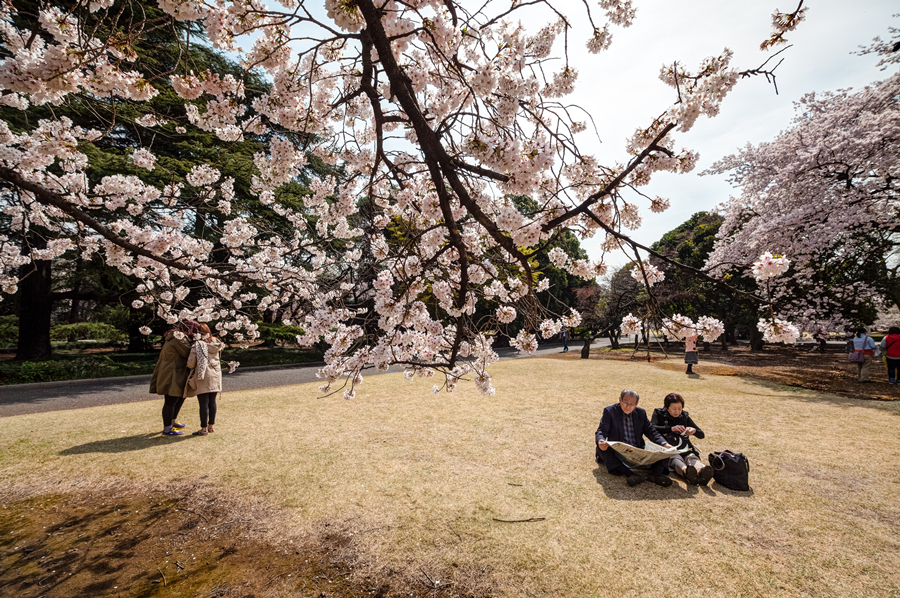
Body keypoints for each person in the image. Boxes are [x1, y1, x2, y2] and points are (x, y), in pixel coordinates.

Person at [595, 389, 675, 487]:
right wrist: (601, 440)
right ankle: (631, 474)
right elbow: (601, 431)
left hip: (637, 449)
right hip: (618, 451)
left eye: (632, 404)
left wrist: (665, 444)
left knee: (665, 450)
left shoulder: (641, 413)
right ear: (620, 400)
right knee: (603, 448)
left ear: (636, 404)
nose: (628, 406)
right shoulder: (610, 411)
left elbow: (651, 432)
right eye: (626, 402)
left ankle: (655, 474)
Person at [651, 393, 713, 485]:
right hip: (670, 448)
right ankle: (686, 472)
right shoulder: (659, 413)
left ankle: (700, 472)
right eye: (674, 409)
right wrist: (671, 429)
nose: (677, 411)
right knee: (676, 459)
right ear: (667, 407)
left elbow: (701, 435)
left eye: (680, 408)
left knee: (692, 457)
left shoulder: (684, 416)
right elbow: (652, 428)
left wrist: (694, 431)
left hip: (685, 447)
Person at [150, 320, 199, 436]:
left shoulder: (178, 337)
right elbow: (189, 353)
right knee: (171, 400)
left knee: (180, 397)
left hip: (175, 371)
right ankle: (167, 428)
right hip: (172, 372)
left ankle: (172, 421)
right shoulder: (179, 338)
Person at [184, 323, 224, 435]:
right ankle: (211, 426)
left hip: (203, 375)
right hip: (215, 374)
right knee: (212, 401)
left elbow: (191, 364)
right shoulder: (216, 343)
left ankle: (203, 428)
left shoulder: (197, 345)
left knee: (203, 403)